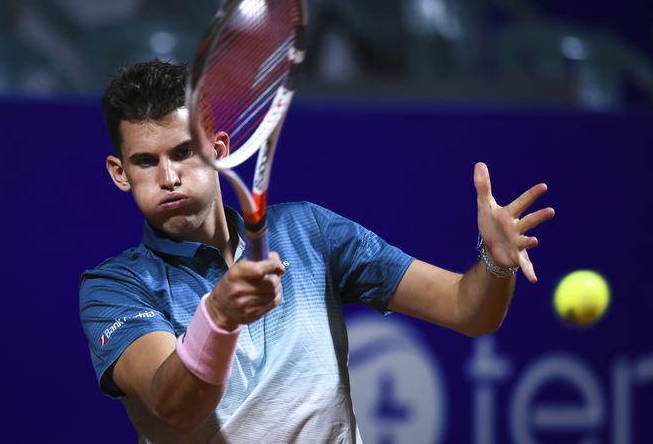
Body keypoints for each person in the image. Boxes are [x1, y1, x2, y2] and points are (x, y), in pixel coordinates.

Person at [79, 60, 554, 443]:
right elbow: (174, 408)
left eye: (183, 152)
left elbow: (467, 309)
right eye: (146, 161)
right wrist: (218, 318)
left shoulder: (309, 231)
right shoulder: (115, 288)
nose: (168, 177)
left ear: (219, 148)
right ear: (120, 173)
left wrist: (494, 262)